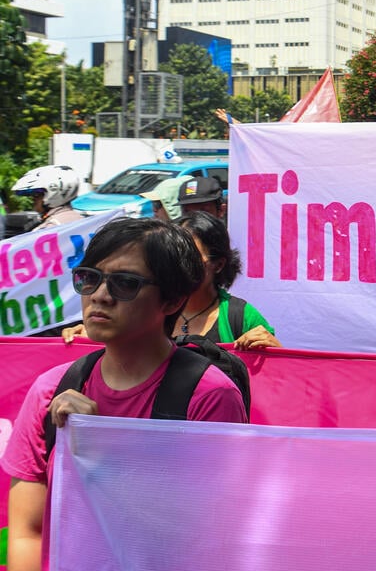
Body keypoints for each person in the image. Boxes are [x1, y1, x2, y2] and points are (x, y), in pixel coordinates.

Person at [2, 218, 247, 571]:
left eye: (125, 284)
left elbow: (205, 537)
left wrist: (104, 449)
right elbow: (28, 531)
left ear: (173, 300)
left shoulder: (209, 397)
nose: (100, 295)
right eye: (90, 278)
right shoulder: (51, 389)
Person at [63, 211, 279, 350]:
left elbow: (280, 380)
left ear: (218, 264)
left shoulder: (240, 316)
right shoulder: (147, 309)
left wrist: (275, 351)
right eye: (91, 277)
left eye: (192, 258)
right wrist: (94, 337)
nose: (101, 296)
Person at [11, 165, 85, 231]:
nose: (33, 200)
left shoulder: (50, 228)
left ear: (53, 193)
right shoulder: (82, 221)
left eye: (36, 195)